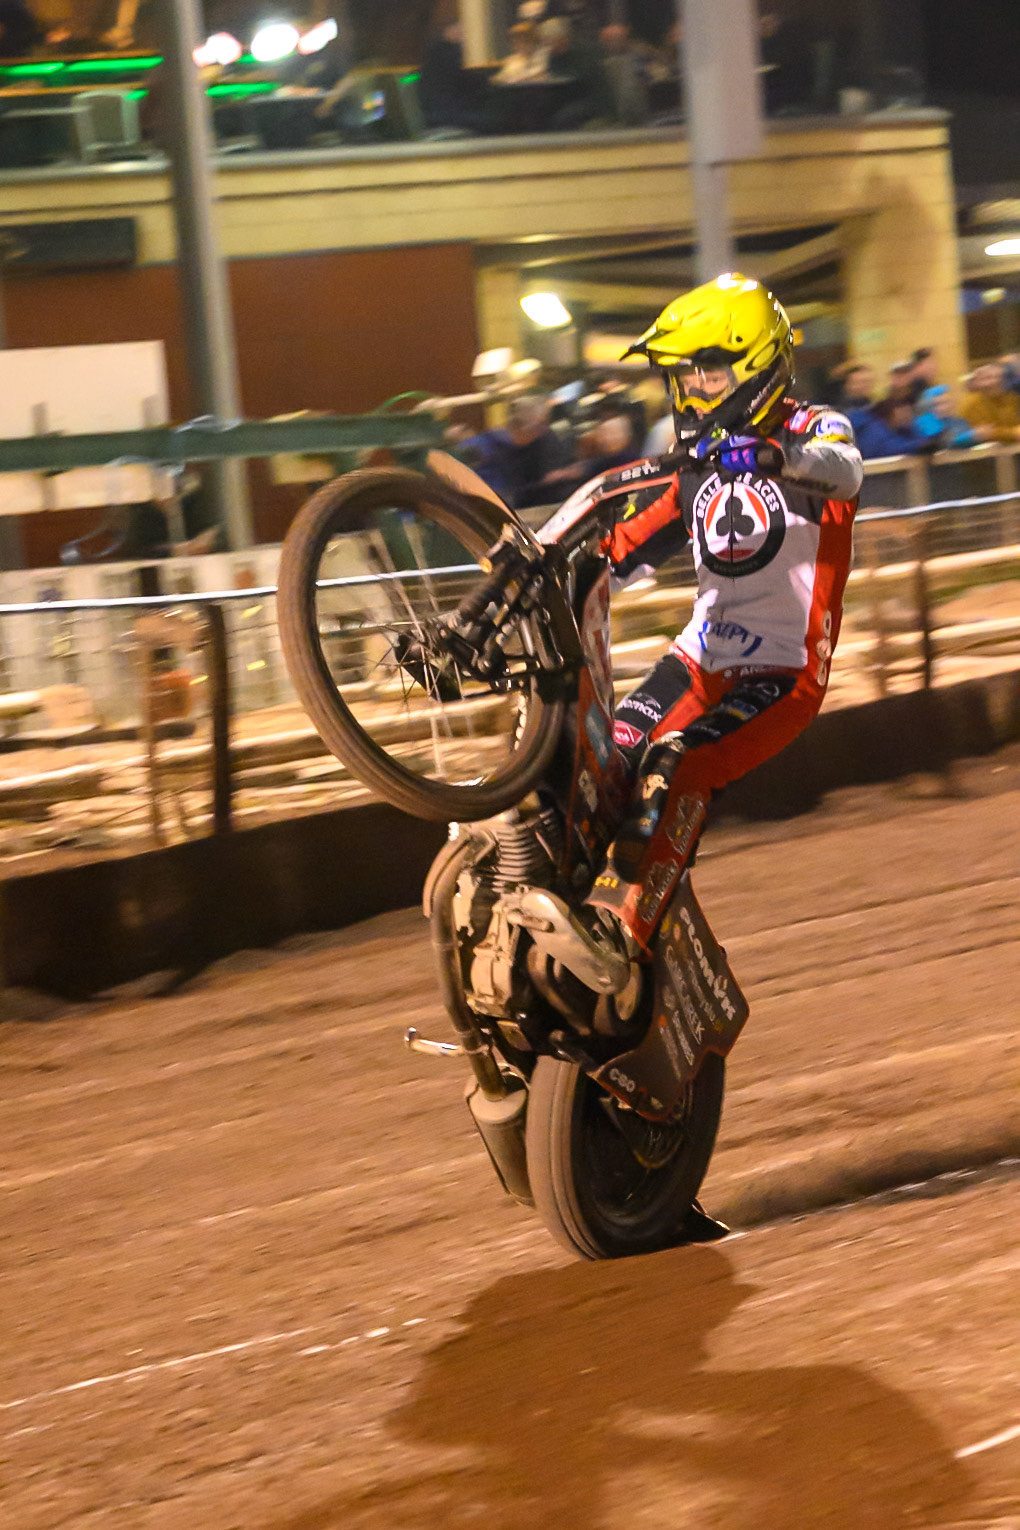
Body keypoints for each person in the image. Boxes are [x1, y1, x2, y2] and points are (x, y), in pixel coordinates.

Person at [561, 273, 864, 951]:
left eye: (706, 371)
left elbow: (845, 469)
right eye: (684, 375)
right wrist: (551, 570)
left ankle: (624, 937)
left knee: (675, 764)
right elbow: (623, 551)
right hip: (697, 659)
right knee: (604, 765)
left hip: (782, 677)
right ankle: (559, 902)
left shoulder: (810, 427)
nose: (690, 388)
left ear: (753, 364)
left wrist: (772, 457)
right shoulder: (698, 465)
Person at [457, 392, 572, 509]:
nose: (544, 429)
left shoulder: (543, 441)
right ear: (519, 426)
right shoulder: (483, 447)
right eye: (539, 425)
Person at [958, 362, 1020, 445]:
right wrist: (1012, 433)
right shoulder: (971, 405)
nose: (992, 383)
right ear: (976, 382)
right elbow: (984, 432)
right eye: (985, 379)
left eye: (996, 377)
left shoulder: (1013, 397)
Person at [853, 395, 926, 459]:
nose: (908, 416)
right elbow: (883, 449)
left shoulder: (906, 429)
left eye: (910, 411)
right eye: (904, 412)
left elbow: (921, 439)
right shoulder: (873, 429)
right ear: (892, 412)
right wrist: (917, 446)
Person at [913, 385, 978, 450]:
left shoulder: (959, 421)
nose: (945, 407)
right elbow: (941, 443)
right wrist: (971, 435)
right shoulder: (924, 422)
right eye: (938, 404)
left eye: (947, 402)